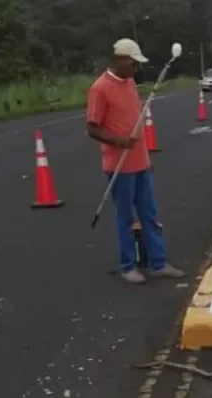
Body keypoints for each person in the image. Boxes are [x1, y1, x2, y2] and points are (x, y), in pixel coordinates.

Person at [86, 38, 185, 284]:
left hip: (141, 163)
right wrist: (119, 141)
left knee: (150, 215)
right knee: (127, 218)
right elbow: (92, 128)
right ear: (120, 60)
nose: (136, 68)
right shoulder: (100, 88)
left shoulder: (129, 82)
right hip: (119, 167)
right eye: (133, 63)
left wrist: (146, 159)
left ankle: (158, 263)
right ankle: (128, 265)